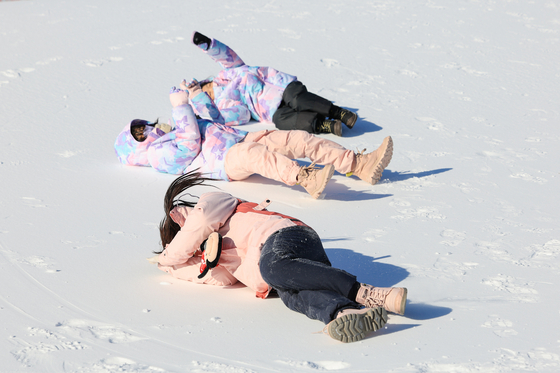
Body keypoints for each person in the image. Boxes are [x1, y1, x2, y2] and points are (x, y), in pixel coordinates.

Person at [150, 171, 408, 343]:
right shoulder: (210, 250)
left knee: (272, 267)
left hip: (290, 237)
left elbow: (201, 222)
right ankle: (345, 313)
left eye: (180, 241)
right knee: (291, 296)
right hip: (284, 271)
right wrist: (181, 267)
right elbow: (222, 279)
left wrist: (167, 259)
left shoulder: (211, 203)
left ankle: (367, 293)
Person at [114, 82, 394, 199]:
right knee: (254, 156)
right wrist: (181, 107)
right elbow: (188, 148)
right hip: (224, 161)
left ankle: (358, 164)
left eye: (143, 126)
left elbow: (215, 120)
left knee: (297, 139)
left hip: (240, 137)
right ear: (136, 146)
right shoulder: (156, 156)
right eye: (139, 134)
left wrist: (196, 95)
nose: (147, 130)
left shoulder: (174, 128)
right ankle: (305, 178)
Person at [187, 31, 359, 136]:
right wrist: (210, 112)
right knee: (281, 121)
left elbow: (226, 55)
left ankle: (338, 112)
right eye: (203, 98)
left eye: (203, 91)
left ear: (205, 83)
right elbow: (242, 114)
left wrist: (207, 45)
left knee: (298, 100)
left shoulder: (229, 70)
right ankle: (323, 124)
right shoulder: (222, 105)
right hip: (271, 109)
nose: (206, 96)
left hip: (280, 87)